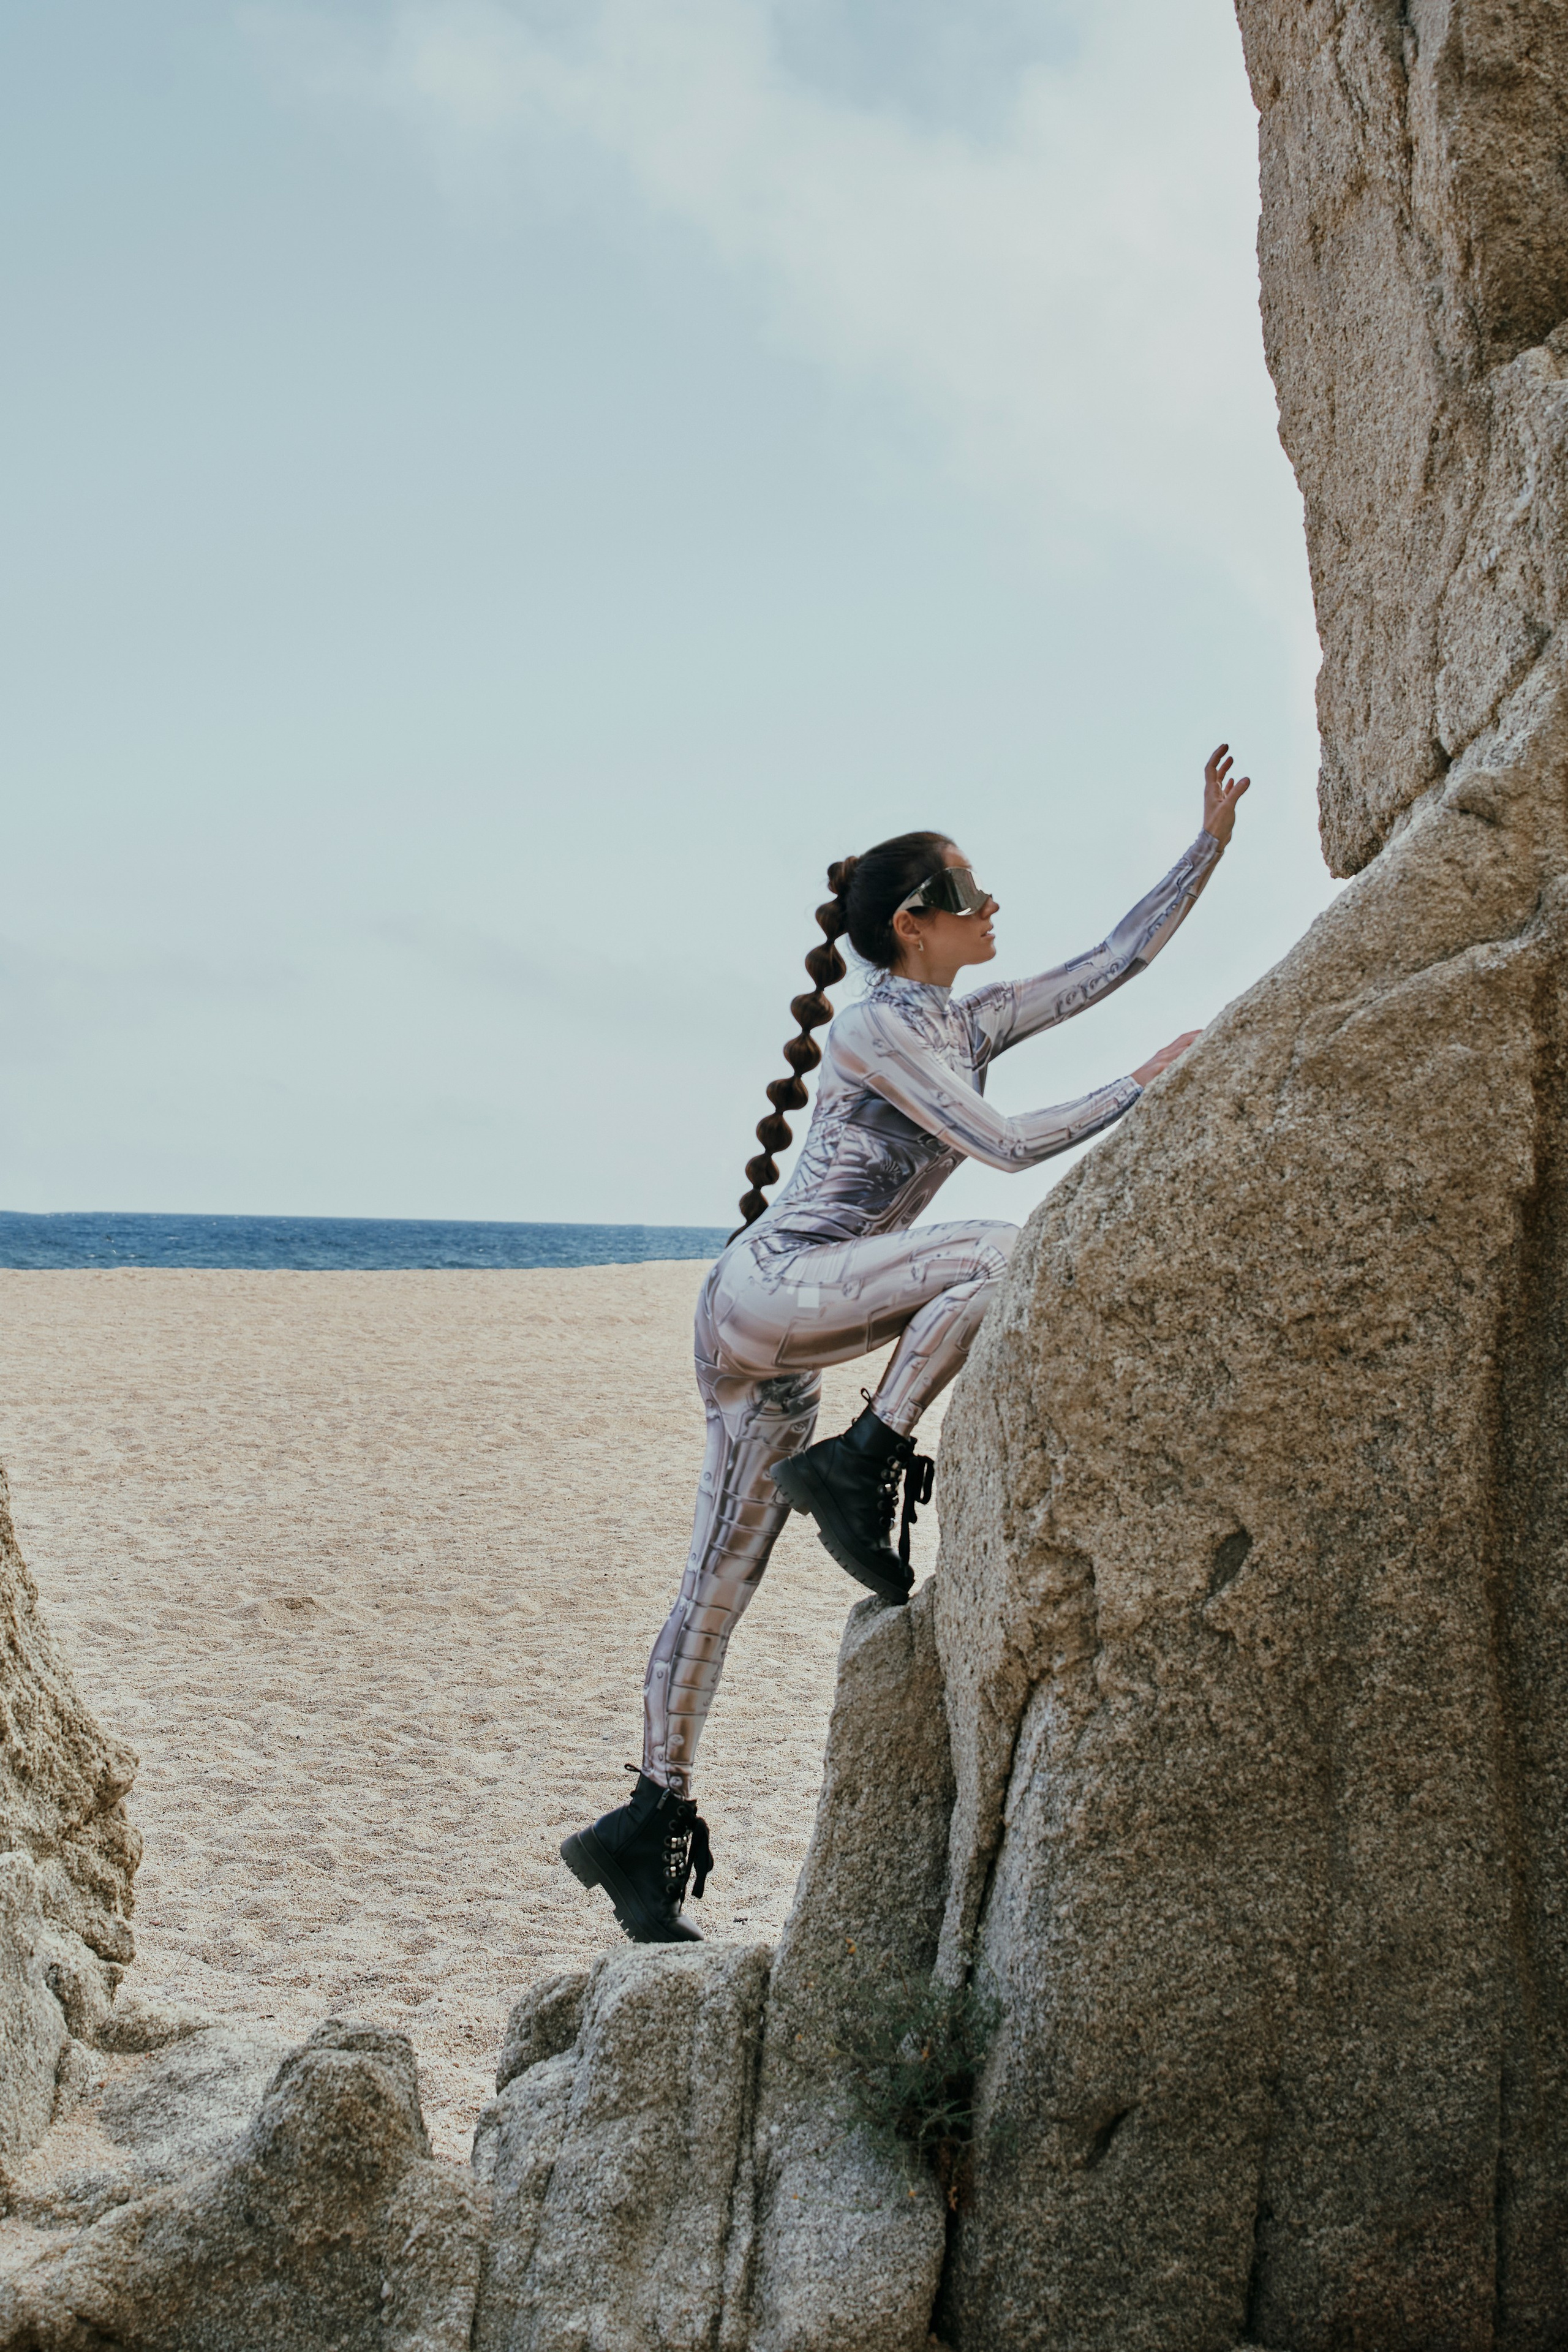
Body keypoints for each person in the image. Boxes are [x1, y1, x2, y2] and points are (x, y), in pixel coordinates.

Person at [561, 745, 1251, 1942]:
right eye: (972, 898)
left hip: (778, 1324)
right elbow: (1003, 1149)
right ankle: (866, 1455)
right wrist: (1138, 1086)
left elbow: (1113, 959)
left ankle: (644, 1822)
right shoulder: (877, 1030)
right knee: (993, 1249)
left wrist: (1205, 848)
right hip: (771, 1296)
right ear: (913, 924)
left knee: (717, 1587)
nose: (994, 913)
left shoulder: (962, 1018)